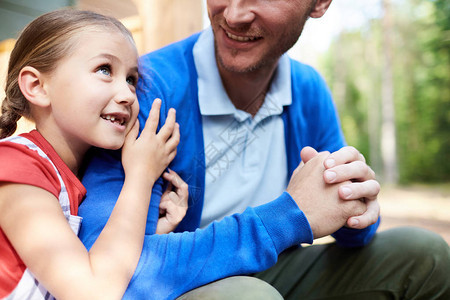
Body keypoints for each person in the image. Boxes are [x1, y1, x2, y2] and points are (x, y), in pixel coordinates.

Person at [79, 0, 450, 299]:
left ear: (319, 4)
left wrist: (355, 206)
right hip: (180, 283)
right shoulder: (145, 90)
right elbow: (113, 270)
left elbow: (355, 237)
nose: (234, 14)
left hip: (273, 271)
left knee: (426, 254)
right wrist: (289, 215)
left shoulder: (307, 88)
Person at [0, 9, 187, 299]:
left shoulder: (78, 175)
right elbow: (93, 294)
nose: (127, 94)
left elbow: (92, 266)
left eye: (131, 79)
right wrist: (139, 177)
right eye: (104, 70)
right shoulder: (16, 166)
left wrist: (154, 230)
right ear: (37, 86)